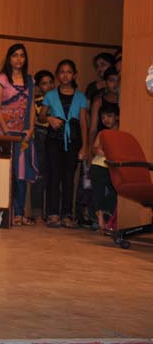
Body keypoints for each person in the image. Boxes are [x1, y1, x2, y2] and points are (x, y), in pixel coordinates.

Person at [39, 59, 89, 228]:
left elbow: (83, 123)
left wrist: (85, 146)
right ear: (57, 75)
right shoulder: (50, 95)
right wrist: (49, 118)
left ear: (74, 75)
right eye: (62, 72)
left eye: (69, 72)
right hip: (54, 139)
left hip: (73, 139)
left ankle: (67, 214)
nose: (65, 75)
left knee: (68, 178)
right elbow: (41, 116)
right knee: (53, 175)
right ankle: (53, 213)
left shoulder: (80, 96)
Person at [0, 43, 37, 227]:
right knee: (5, 174)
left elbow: (31, 107)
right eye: (15, 55)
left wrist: (31, 128)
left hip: (23, 135)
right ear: (9, 58)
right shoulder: (0, 80)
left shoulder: (29, 81)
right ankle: (4, 212)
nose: (19, 59)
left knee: (21, 175)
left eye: (22, 55)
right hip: (4, 134)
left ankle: (19, 213)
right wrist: (6, 132)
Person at [89, 102, 120, 233]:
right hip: (98, 166)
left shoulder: (122, 131)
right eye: (103, 117)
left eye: (109, 116)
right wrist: (97, 150)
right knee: (98, 192)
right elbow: (94, 148)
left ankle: (105, 216)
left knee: (116, 191)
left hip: (113, 167)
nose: (105, 120)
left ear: (117, 117)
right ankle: (100, 218)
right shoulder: (102, 133)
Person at [31, 69, 55, 223]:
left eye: (51, 82)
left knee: (53, 177)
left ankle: (52, 213)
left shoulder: (58, 99)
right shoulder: (37, 101)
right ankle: (37, 213)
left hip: (55, 137)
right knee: (40, 175)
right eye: (44, 84)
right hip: (40, 136)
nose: (49, 86)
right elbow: (40, 119)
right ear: (39, 87)